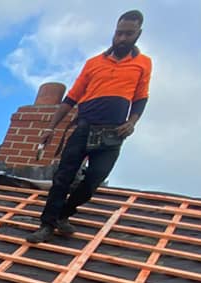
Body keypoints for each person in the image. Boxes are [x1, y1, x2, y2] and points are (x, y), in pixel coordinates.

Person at [27, 10, 151, 243]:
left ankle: (62, 215)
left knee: (94, 179)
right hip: (84, 127)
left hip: (113, 132)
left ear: (138, 34)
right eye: (119, 33)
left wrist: (132, 123)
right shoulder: (94, 63)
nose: (122, 38)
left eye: (128, 34)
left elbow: (141, 98)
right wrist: (50, 127)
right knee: (63, 177)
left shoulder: (143, 64)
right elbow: (72, 98)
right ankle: (46, 224)